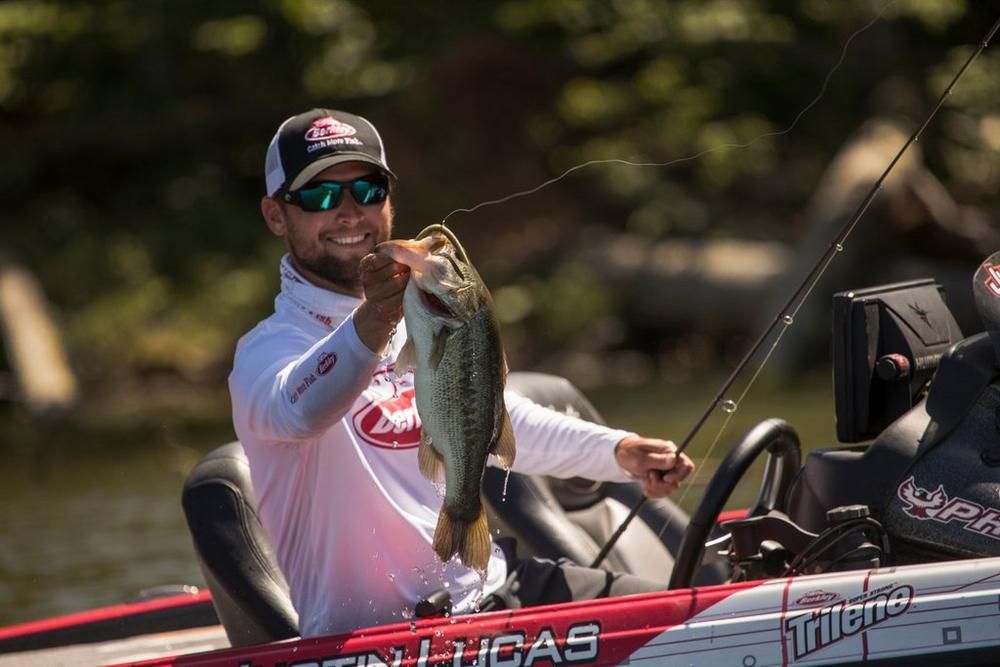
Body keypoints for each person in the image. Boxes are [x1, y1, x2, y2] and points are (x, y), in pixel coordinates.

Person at [229, 108, 695, 638]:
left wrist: (619, 452)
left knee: (690, 621)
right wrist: (375, 318)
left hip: (495, 591)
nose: (350, 212)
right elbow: (299, 410)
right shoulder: (263, 355)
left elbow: (486, 414)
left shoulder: (418, 312)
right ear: (275, 215)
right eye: (319, 196)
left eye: (369, 189)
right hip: (382, 639)